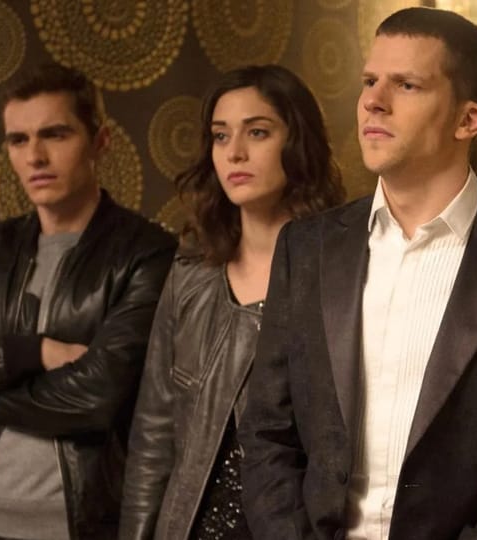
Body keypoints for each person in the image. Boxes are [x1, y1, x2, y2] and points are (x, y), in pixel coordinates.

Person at [239, 7, 477, 539]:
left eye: (406, 85)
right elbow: (267, 432)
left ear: (468, 120)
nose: (374, 101)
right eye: (369, 81)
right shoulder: (306, 248)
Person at [0, 63, 177, 540]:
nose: (35, 157)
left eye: (55, 134)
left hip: (89, 528)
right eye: (18, 140)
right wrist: (35, 352)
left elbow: (97, 398)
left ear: (100, 141)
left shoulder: (146, 254)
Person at [118, 64, 345, 540]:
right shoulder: (190, 276)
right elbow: (153, 439)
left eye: (257, 132)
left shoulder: (343, 273)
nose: (234, 152)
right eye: (221, 136)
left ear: (297, 142)